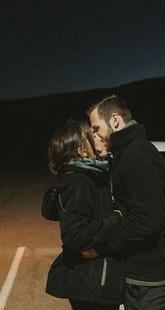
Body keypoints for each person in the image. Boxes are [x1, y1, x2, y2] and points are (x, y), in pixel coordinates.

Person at [86, 95, 165, 310]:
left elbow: (145, 220)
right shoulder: (126, 153)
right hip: (138, 273)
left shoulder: (137, 155)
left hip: (147, 277)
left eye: (96, 128)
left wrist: (104, 248)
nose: (94, 135)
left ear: (115, 120)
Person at [44, 119, 124, 310]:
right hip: (91, 285)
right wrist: (116, 218)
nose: (96, 137)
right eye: (91, 135)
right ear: (82, 150)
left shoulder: (89, 176)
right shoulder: (79, 181)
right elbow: (75, 236)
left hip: (92, 282)